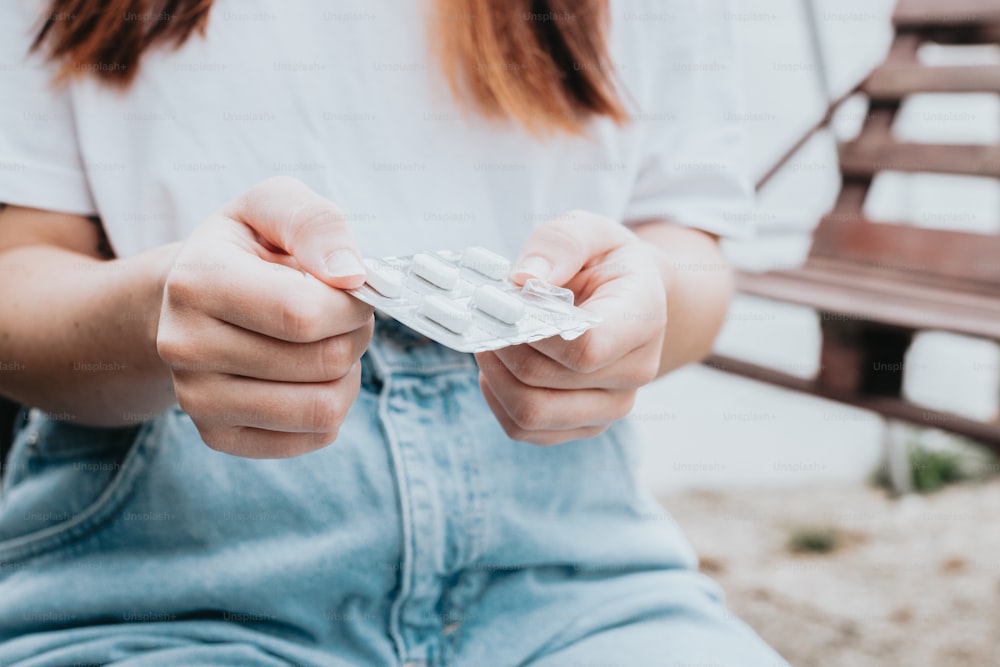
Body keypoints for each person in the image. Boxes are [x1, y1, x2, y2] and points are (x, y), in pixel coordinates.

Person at [0, 0, 789, 665]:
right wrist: (155, 310)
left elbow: (691, 255)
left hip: (572, 567)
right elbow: (19, 276)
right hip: (167, 578)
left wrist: (629, 308)